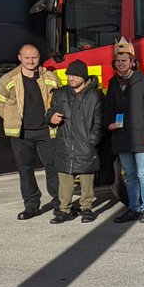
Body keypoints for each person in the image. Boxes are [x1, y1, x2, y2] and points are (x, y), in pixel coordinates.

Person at [0, 43, 62, 219]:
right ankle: (31, 206)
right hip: (21, 134)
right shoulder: (9, 79)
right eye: (27, 57)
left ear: (39, 58)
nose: (31, 61)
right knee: (25, 170)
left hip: (47, 131)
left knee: (53, 167)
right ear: (19, 58)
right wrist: (12, 119)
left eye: (34, 57)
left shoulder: (51, 77)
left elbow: (61, 100)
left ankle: (60, 204)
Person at [105, 41, 144, 223]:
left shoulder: (143, 81)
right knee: (129, 175)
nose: (121, 63)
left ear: (132, 62)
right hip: (121, 137)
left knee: (143, 173)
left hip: (141, 136)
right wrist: (108, 123)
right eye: (118, 61)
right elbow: (108, 108)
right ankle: (134, 208)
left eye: (124, 60)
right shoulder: (112, 84)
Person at [47, 59, 103, 224]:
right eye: (69, 75)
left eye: (75, 76)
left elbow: (99, 122)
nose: (71, 78)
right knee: (65, 178)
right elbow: (50, 112)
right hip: (65, 143)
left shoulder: (94, 96)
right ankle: (64, 210)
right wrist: (51, 117)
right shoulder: (60, 94)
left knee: (86, 178)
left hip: (85, 144)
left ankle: (86, 208)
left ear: (83, 77)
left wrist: (91, 141)